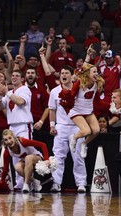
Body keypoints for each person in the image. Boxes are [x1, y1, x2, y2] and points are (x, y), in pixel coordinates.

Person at [48, 65, 87, 193]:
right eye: (62, 73)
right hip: (61, 126)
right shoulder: (54, 91)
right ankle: (56, 183)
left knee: (78, 156)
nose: (63, 75)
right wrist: (52, 125)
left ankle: (81, 183)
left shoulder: (79, 89)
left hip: (77, 127)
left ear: (71, 75)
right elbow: (52, 109)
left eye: (66, 73)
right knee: (58, 156)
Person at [0, 69, 33, 190]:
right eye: (12, 75)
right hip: (12, 126)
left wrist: (7, 93)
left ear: (22, 79)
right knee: (15, 155)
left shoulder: (25, 90)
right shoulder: (9, 92)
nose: (14, 77)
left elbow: (21, 102)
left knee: (26, 154)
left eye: (17, 75)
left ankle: (28, 182)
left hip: (24, 125)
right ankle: (20, 183)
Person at [59, 56, 105, 158]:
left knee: (96, 130)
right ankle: (74, 137)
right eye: (94, 72)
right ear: (88, 73)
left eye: (96, 71)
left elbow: (97, 101)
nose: (96, 74)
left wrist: (110, 107)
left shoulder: (96, 84)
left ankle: (84, 144)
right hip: (76, 111)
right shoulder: (79, 83)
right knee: (86, 131)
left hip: (88, 111)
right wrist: (65, 95)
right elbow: (71, 95)